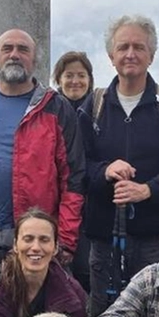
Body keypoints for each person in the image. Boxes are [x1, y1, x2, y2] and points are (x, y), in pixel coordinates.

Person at [80, 15, 159, 316]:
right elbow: (77, 168)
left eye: (139, 47)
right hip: (104, 237)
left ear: (151, 55)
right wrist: (104, 170)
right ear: (111, 56)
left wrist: (146, 190)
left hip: (155, 238)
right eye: (123, 47)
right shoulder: (94, 106)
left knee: (156, 316)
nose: (130, 54)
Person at [0, 29, 85, 290]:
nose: (14, 55)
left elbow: (73, 180)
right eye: (7, 48)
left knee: (35, 316)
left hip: (36, 235)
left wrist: (65, 238)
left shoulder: (56, 108)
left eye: (23, 49)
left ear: (34, 60)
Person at [51, 50, 96, 290]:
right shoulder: (50, 111)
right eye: (69, 75)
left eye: (81, 75)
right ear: (58, 79)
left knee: (86, 271)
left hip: (91, 207)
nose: (75, 81)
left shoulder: (98, 111)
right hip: (56, 202)